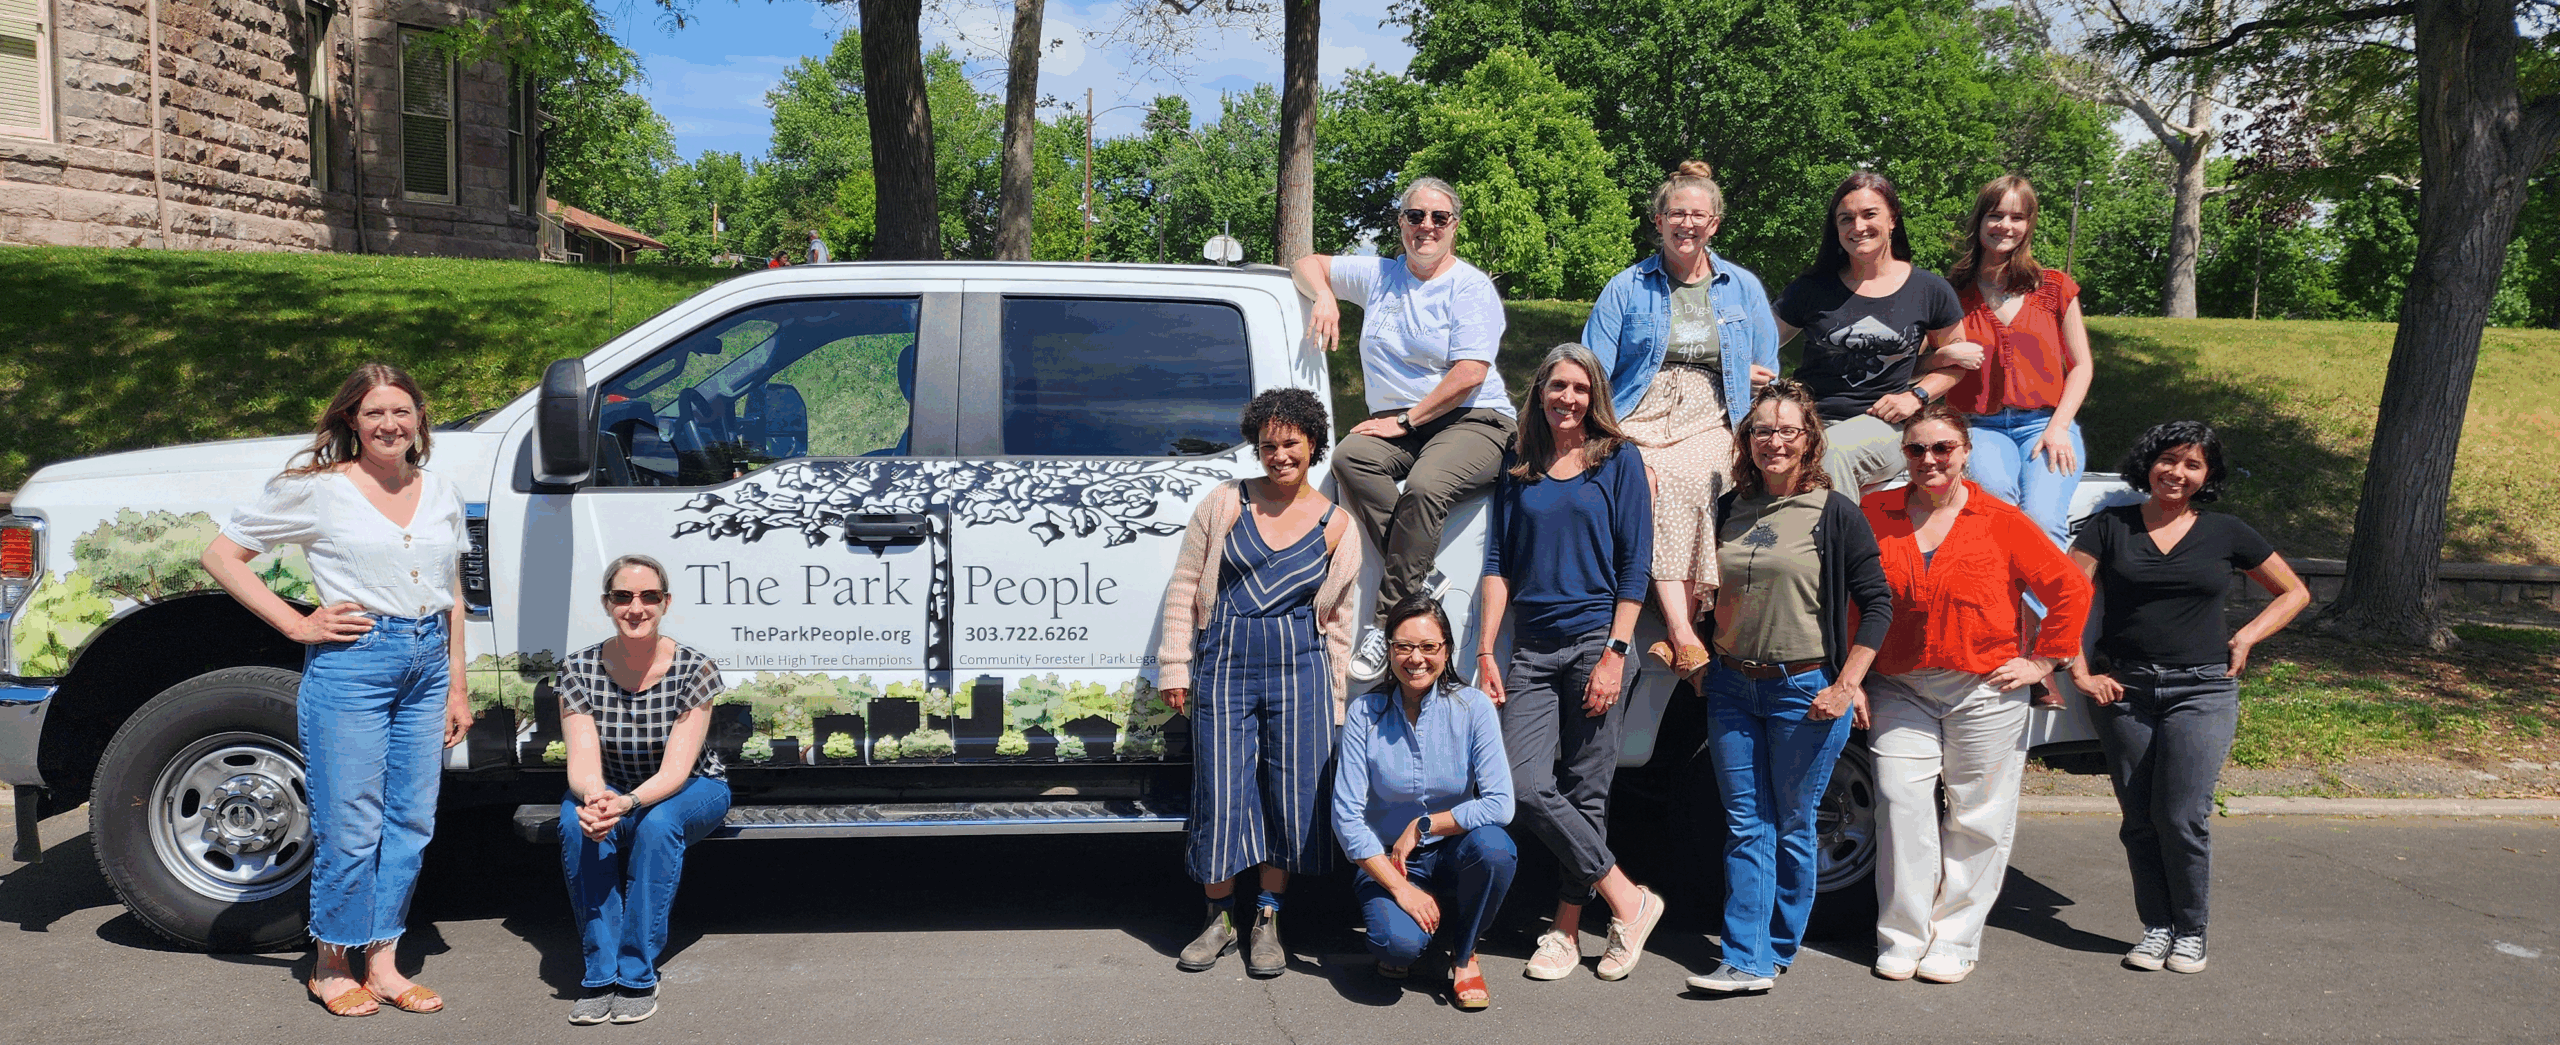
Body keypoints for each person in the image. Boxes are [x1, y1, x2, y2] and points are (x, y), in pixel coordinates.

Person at [199, 363, 470, 1017]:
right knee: (351, 825)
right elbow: (221, 555)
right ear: (352, 419)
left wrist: (458, 683)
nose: (389, 424)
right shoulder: (316, 490)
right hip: (353, 665)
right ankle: (330, 962)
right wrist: (298, 621)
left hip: (427, 664)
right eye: (374, 412)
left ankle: (382, 961)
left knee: (411, 821)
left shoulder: (440, 490)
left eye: (401, 411)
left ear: (419, 419)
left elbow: (453, 591)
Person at [1859, 404, 2093, 984]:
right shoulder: (1873, 512)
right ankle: (1903, 934)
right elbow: (1847, 592)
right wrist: (1852, 676)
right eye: (1916, 450)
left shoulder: (2001, 518)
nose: (1929, 460)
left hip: (1985, 687)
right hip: (1898, 684)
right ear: (1903, 456)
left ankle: (1956, 938)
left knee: (1976, 815)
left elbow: (2068, 587)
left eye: (1942, 449)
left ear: (1966, 452)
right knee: (1899, 802)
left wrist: (2041, 659)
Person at [2068, 421, 2310, 975]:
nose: (2177, 472)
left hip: (2202, 689)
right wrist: (2079, 672)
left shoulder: (2226, 531)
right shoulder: (2111, 527)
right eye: (2168, 459)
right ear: (2148, 463)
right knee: (2139, 818)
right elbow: (2067, 598)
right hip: (2124, 690)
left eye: (2192, 464)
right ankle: (2156, 928)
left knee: (2182, 815)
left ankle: (2191, 930)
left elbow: (2295, 591)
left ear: (2207, 476)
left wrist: (2247, 635)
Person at [1684, 379, 1893, 994]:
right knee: (1747, 823)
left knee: (1793, 822)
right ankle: (1746, 956)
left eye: (1787, 431)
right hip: (1730, 688)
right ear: (1746, 441)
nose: (1774, 441)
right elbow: (1701, 587)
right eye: (1762, 431)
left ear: (1810, 440)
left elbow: (1876, 605)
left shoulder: (1835, 514)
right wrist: (1697, 655)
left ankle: (1774, 949)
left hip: (1804, 690)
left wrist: (1847, 682)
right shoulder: (1727, 509)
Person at [1474, 343, 1667, 983]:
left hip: (1596, 645)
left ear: (1596, 398)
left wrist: (1615, 653)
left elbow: (1634, 566)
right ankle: (1629, 900)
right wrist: (1486, 650)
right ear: (1540, 392)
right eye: (1557, 386)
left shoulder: (1619, 460)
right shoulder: (1521, 462)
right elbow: (1498, 563)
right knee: (1524, 785)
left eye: (1580, 389)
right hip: (1530, 649)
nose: (1568, 399)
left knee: (1588, 789)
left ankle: (1564, 931)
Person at [1156, 388, 1363, 978]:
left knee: (1289, 799)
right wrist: (1176, 665)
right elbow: (1184, 586)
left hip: (1303, 673)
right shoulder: (1224, 504)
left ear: (1313, 445)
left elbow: (1341, 620)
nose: (1279, 455)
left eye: (1291, 443)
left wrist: (1338, 699)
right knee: (1221, 793)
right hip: (1224, 666)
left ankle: (1267, 918)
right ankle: (1217, 917)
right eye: (1268, 445)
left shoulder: (1336, 524)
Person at [1293, 176, 1518, 682]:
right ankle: (1419, 575)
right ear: (1400, 222)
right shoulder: (1380, 275)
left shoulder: (1470, 287)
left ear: (1455, 226)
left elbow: (1470, 374)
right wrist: (1324, 296)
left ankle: (1386, 620)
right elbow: (1305, 263)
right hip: (1407, 426)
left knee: (1424, 485)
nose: (1426, 227)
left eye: (1439, 218)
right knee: (1350, 457)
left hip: (1475, 418)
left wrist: (1406, 420)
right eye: (1415, 216)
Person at [1582, 160, 1781, 678]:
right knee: (1640, 478)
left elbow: (1768, 367)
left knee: (1696, 479)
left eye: (1698, 215)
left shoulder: (1742, 288)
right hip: (1637, 408)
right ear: (1659, 220)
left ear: (1714, 223)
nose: (1686, 224)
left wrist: (1756, 378)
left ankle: (1679, 629)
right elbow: (1593, 366)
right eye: (1676, 214)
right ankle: (1683, 634)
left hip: (1711, 410)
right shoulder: (1627, 287)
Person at [557, 555, 732, 1025]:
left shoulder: (695, 669)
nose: (636, 607)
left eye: (649, 596)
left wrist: (627, 803)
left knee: (657, 826)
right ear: (607, 603)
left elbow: (676, 770)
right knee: (578, 828)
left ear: (665, 602)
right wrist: (596, 799)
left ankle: (636, 974)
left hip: (694, 786)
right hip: (610, 784)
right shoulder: (577, 670)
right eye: (623, 596)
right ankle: (599, 973)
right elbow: (582, 761)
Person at [1333, 597, 1516, 1011]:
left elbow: (1501, 804)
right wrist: (1401, 888)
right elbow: (1346, 817)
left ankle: (1465, 954)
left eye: (1429, 647)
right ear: (1389, 650)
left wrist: (1424, 825)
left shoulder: (1474, 708)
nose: (1416, 658)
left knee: (1496, 849)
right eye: (1403, 646)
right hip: (1391, 864)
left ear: (1447, 650)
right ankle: (1420, 922)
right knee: (1396, 947)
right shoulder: (1365, 712)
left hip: (1455, 852)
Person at [1773, 172, 1984, 495]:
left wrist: (1917, 396)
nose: (1858, 227)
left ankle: (1838, 546)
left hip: (1884, 425)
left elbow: (1957, 364)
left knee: (1832, 453)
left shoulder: (1928, 290)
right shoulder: (1811, 288)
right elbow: (1759, 341)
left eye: (1869, 214)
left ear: (1892, 220)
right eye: (1846, 219)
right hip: (1808, 418)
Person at [1945, 175, 2094, 547]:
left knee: (2044, 522)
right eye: (1995, 215)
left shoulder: (2055, 287)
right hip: (1979, 427)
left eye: (2017, 217)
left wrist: (2059, 427)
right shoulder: (1949, 293)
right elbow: (1917, 364)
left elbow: (2081, 366)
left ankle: (2038, 608)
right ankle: (2001, 606)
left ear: (2029, 225)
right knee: (1998, 509)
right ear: (1979, 220)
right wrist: (1944, 355)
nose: (2005, 226)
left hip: (2046, 423)